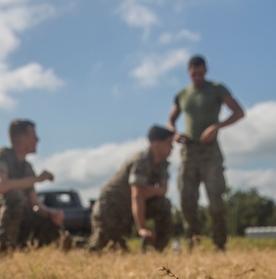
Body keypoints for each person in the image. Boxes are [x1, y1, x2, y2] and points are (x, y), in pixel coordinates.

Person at [167, 55, 244, 250]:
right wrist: (174, 133)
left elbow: (238, 112)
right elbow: (170, 120)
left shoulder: (217, 89)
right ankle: (193, 243)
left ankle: (220, 244)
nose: (197, 77)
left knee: (216, 199)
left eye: (200, 73)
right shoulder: (182, 94)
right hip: (189, 151)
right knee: (187, 199)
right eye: (194, 74)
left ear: (206, 71)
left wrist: (216, 126)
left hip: (210, 152)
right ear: (188, 72)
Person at [0, 119, 65, 255]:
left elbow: (35, 204)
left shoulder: (27, 167)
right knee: (15, 195)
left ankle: (20, 250)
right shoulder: (2, 155)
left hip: (9, 216)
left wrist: (52, 214)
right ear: (21, 138)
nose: (38, 140)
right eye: (34, 135)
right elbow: (0, 186)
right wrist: (37, 179)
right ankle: (3, 251)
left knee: (49, 221)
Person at [88, 125, 175, 252]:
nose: (172, 147)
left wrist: (149, 190)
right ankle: (70, 243)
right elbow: (137, 194)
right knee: (102, 248)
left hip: (131, 208)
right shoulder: (141, 161)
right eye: (169, 143)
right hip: (111, 209)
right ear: (156, 144)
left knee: (163, 204)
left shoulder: (162, 163)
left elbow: (163, 190)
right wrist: (141, 228)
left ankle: (157, 250)